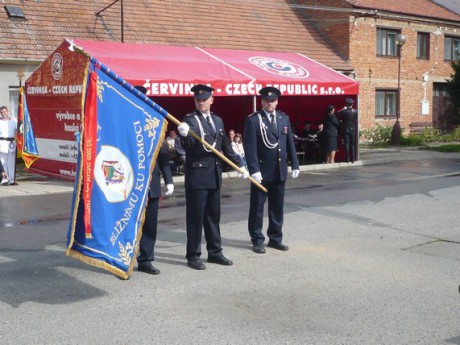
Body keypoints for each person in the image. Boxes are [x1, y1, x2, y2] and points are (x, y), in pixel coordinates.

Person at [177, 84, 247, 270]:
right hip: (198, 176)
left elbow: (225, 145)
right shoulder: (189, 120)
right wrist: (184, 136)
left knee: (213, 216)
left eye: (204, 99)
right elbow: (190, 146)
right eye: (198, 100)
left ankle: (215, 252)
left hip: (214, 175)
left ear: (211, 100)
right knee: (195, 218)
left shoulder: (217, 120)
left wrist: (240, 165)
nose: (201, 102)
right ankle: (193, 256)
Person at [242, 86, 300, 254]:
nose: (270, 103)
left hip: (279, 170)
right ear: (261, 101)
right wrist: (254, 169)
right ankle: (257, 239)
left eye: (273, 100)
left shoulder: (283, 118)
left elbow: (289, 142)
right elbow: (250, 146)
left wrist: (295, 163)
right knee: (257, 207)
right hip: (261, 171)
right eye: (267, 100)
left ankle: (275, 238)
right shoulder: (254, 120)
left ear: (277, 101)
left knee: (277, 207)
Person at [135, 86, 175, 275]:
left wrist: (169, 180)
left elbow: (163, 158)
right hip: (131, 185)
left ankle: (146, 260)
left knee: (150, 225)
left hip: (152, 185)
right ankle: (123, 261)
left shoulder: (156, 124)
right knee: (128, 226)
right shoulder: (124, 125)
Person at [0, 106, 17, 185]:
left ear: (7, 111)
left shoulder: (13, 121)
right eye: (1, 112)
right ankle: (4, 179)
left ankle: (12, 179)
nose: (3, 114)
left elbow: (19, 131)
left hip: (11, 143)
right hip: (2, 142)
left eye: (4, 112)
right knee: (3, 162)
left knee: (11, 162)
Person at [338, 98, 358, 163]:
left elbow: (338, 117)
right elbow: (355, 119)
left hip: (345, 129)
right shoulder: (356, 111)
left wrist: (342, 110)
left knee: (346, 144)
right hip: (353, 129)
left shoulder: (344, 111)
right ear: (352, 104)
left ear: (346, 104)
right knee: (352, 144)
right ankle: (353, 158)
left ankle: (347, 159)